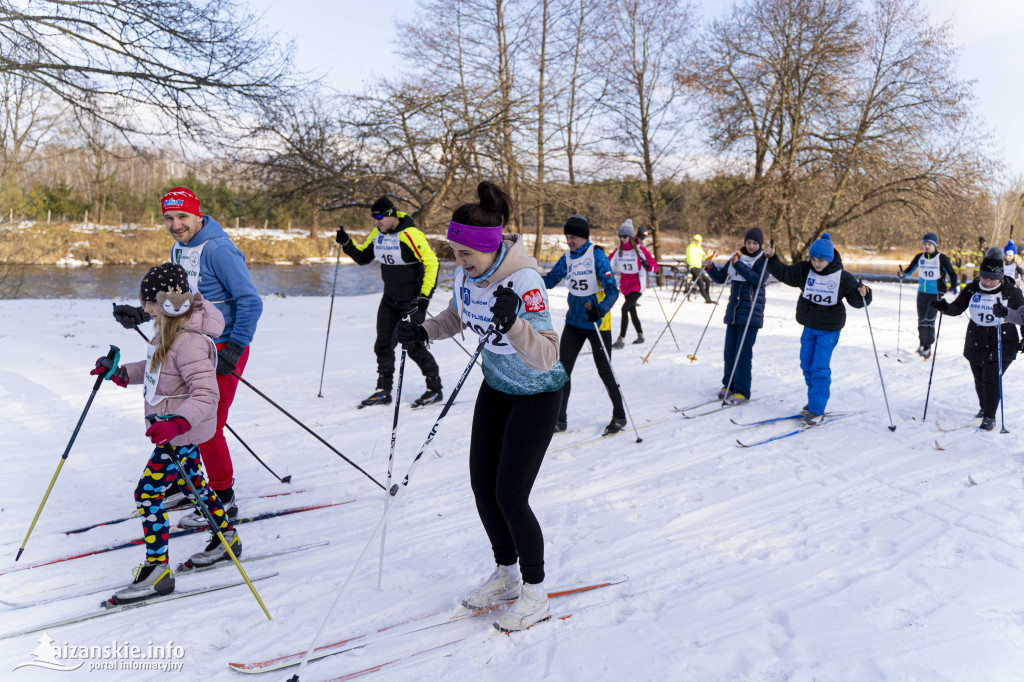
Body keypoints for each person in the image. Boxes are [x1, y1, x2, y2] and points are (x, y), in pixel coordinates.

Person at [395, 181, 568, 632]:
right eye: (454, 252)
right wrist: (424, 332)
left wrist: (512, 323)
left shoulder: (524, 280)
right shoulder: (469, 274)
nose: (459, 262)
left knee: (511, 493)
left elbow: (548, 353)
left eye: (465, 254)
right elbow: (457, 315)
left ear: (490, 249)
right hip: (497, 386)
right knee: (482, 485)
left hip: (538, 392)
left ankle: (535, 592)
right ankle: (506, 575)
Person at [112, 187, 262, 528]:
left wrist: (236, 346)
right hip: (186, 342)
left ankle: (224, 499)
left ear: (198, 215)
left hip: (224, 346)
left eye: (183, 217)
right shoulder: (179, 248)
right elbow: (178, 299)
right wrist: (143, 311)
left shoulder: (220, 249)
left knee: (208, 425)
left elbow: (251, 302)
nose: (176, 225)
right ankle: (185, 484)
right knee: (179, 414)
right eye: (169, 218)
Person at [94, 263, 241, 604]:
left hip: (178, 431)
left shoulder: (189, 340)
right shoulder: (168, 330)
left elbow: (206, 394)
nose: (145, 309)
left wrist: (178, 422)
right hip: (173, 430)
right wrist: (118, 372)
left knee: (147, 493)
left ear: (171, 301)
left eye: (150, 302)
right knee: (195, 485)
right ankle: (226, 538)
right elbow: (155, 370)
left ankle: (158, 570)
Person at [335, 197, 443, 408]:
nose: (376, 222)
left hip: (411, 302)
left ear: (391, 214)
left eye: (379, 217)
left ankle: (435, 388)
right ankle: (383, 390)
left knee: (412, 346)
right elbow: (363, 257)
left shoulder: (411, 235)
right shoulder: (378, 234)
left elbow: (432, 263)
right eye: (373, 218)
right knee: (383, 344)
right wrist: (346, 242)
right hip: (389, 300)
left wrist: (424, 298)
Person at [765, 236, 872, 425]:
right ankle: (813, 400)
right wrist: (773, 258)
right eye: (813, 259)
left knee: (819, 368)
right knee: (806, 365)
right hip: (809, 326)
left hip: (829, 330)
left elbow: (857, 301)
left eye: (820, 260)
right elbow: (784, 273)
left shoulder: (842, 277)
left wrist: (865, 293)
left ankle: (817, 410)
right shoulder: (805, 270)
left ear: (829, 259)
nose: (816, 264)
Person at [542, 214, 625, 436]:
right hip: (574, 323)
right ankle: (560, 419)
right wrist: (526, 279)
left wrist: (601, 308)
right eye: (567, 236)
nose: (569, 240)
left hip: (597, 323)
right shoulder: (567, 258)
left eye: (573, 237)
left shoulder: (596, 256)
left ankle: (620, 415)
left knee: (604, 371)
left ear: (583, 237)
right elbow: (549, 281)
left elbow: (612, 290)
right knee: (562, 371)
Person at [933, 247, 1024, 431]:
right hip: (976, 339)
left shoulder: (1011, 292)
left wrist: (1017, 327)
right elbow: (957, 307)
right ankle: (984, 408)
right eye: (985, 277)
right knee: (979, 378)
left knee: (991, 377)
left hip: (1003, 340)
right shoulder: (973, 287)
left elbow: (1023, 316)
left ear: (1000, 277)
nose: (988, 282)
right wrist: (944, 308)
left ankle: (990, 416)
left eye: (992, 279)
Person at [705, 228, 768, 404]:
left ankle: (742, 390)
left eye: (755, 243)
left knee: (743, 353)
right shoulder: (737, 256)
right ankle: (729, 385)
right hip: (733, 312)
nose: (752, 246)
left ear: (760, 244)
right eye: (749, 242)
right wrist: (710, 267)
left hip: (751, 314)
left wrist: (738, 264)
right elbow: (720, 278)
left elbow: (758, 280)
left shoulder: (763, 259)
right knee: (730, 351)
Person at [898, 232, 958, 359]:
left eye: (929, 244)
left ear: (934, 245)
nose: (926, 246)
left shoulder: (942, 258)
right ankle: (922, 345)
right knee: (921, 321)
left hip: (936, 293)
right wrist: (903, 274)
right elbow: (909, 270)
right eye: (925, 244)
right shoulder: (920, 257)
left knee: (929, 321)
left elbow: (952, 274)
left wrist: (953, 288)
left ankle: (928, 346)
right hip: (922, 293)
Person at [609, 219, 658, 349]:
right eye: (620, 236)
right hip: (625, 285)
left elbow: (654, 265)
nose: (622, 238)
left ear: (630, 236)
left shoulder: (640, 249)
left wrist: (648, 266)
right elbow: (609, 262)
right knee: (632, 311)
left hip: (637, 285)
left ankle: (621, 339)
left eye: (624, 236)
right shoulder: (619, 249)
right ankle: (640, 335)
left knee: (624, 309)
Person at [686, 234, 714, 304]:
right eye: (696, 240)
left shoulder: (699, 248)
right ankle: (708, 300)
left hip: (699, 268)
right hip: (694, 268)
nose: (697, 242)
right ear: (694, 240)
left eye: (699, 241)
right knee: (701, 284)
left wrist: (709, 254)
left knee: (708, 281)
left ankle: (708, 298)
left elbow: (704, 257)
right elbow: (690, 259)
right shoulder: (690, 247)